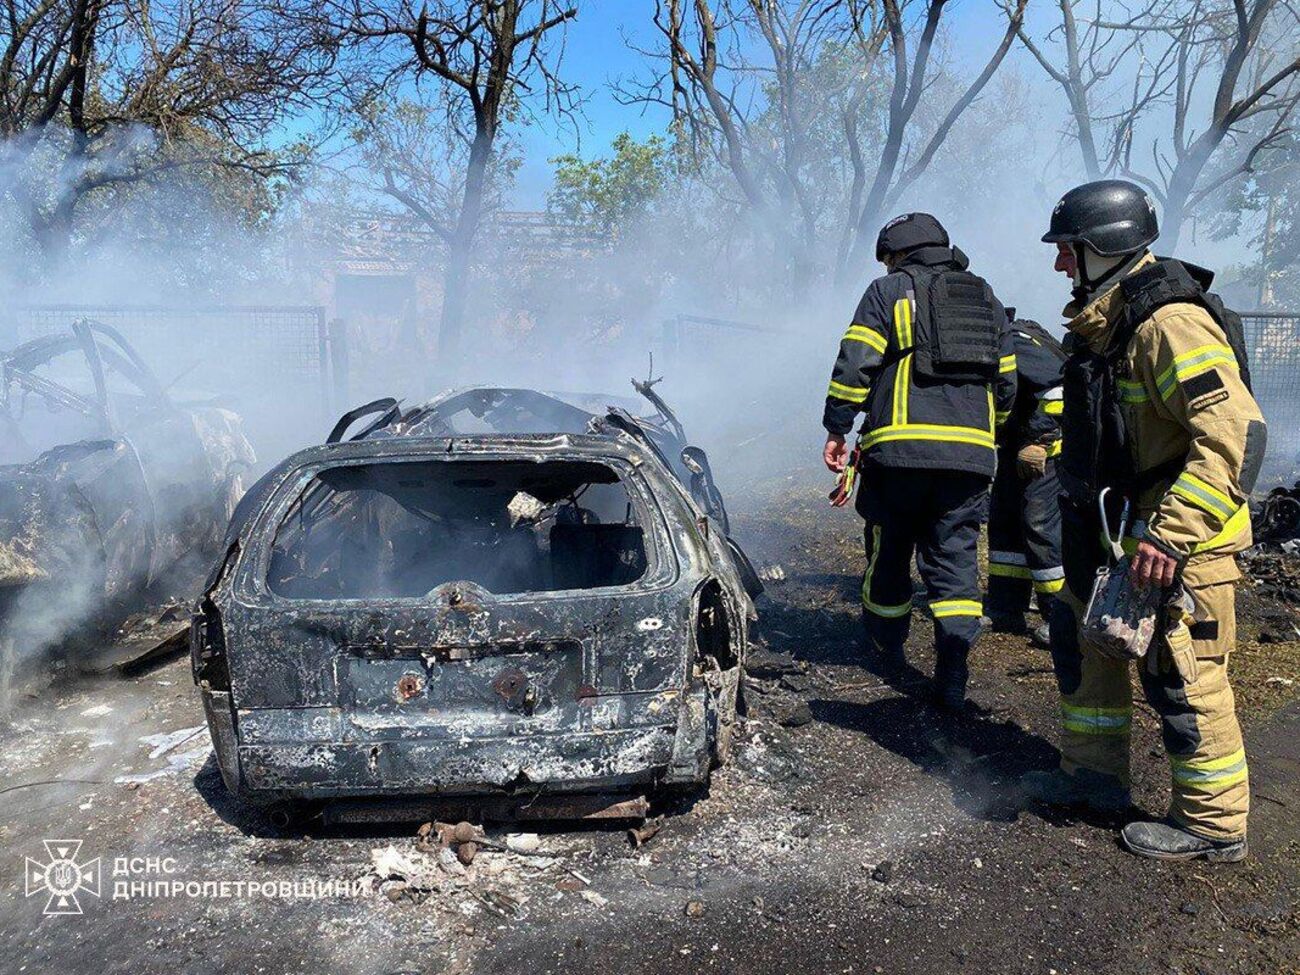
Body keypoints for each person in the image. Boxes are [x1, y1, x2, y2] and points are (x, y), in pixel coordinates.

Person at [1024, 179, 1267, 862]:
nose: (1059, 265)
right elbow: (1117, 428)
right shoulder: (1111, 325)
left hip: (1180, 540)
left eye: (1068, 250)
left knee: (1181, 672)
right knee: (1085, 646)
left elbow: (1235, 433)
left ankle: (1214, 825)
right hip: (1117, 533)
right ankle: (1094, 778)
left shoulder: (1169, 322)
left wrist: (1171, 533)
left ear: (1106, 247)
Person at [823, 212, 1016, 711]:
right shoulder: (985, 297)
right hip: (970, 460)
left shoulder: (889, 291)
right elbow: (1009, 382)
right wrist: (981, 432)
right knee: (955, 562)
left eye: (888, 258)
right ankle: (952, 670)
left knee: (890, 549)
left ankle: (886, 648)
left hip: (899, 454)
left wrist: (837, 426)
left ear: (898, 253)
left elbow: (856, 360)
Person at [984, 311, 1066, 648]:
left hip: (1048, 449)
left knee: (1040, 524)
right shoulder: (1002, 340)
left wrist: (1040, 440)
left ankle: (1060, 617)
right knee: (1004, 518)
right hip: (1015, 445)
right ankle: (1006, 607)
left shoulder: (1016, 342)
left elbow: (1060, 391)